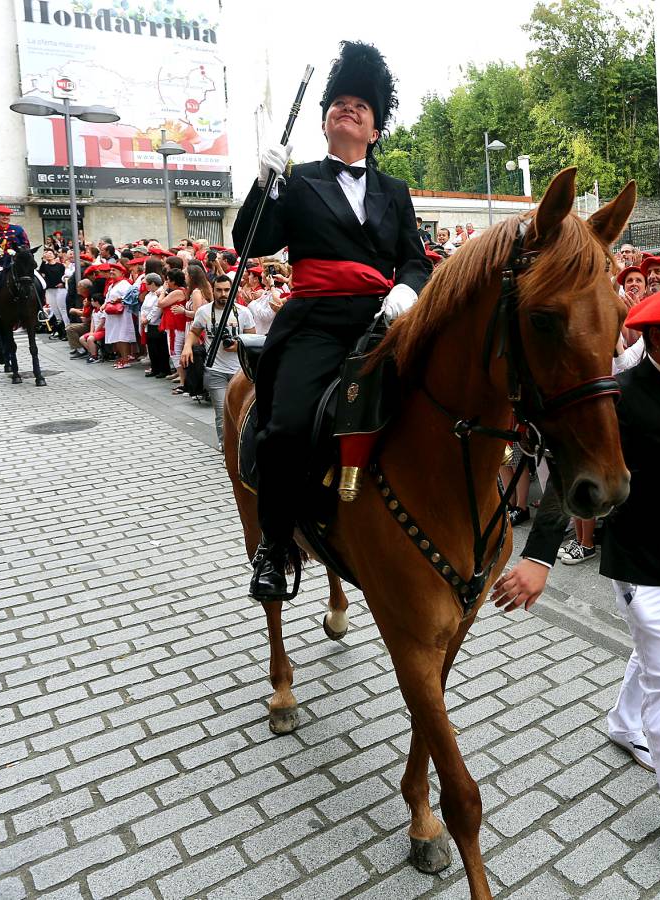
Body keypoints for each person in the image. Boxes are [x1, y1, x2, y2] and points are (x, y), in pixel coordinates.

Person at [495, 286, 660, 867]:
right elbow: (569, 473)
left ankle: (619, 723)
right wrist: (538, 557)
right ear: (654, 337)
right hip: (645, 564)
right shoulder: (621, 396)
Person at [233, 41, 431, 599]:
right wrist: (262, 184)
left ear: (374, 130)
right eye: (340, 102)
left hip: (382, 322)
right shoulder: (298, 182)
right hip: (315, 324)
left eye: (361, 106)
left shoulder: (394, 191)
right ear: (325, 122)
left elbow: (415, 257)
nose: (349, 108)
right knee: (289, 425)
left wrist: (406, 290)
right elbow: (253, 241)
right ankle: (275, 545)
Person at [184, 274, 255, 449]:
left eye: (226, 290)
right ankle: (227, 446)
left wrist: (239, 345)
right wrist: (187, 346)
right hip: (215, 370)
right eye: (219, 290)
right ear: (212, 290)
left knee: (241, 410)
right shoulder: (203, 312)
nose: (223, 294)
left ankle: (242, 444)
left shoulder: (244, 312)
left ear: (232, 291)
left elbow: (253, 339)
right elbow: (194, 332)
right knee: (222, 411)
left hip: (240, 371)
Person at [0, 205, 31, 298]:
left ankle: (41, 307)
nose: (5, 217)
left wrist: (20, 252)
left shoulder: (18, 229)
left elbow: (26, 244)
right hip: (1, 262)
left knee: (41, 282)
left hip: (19, 262)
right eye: (2, 215)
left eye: (7, 215)